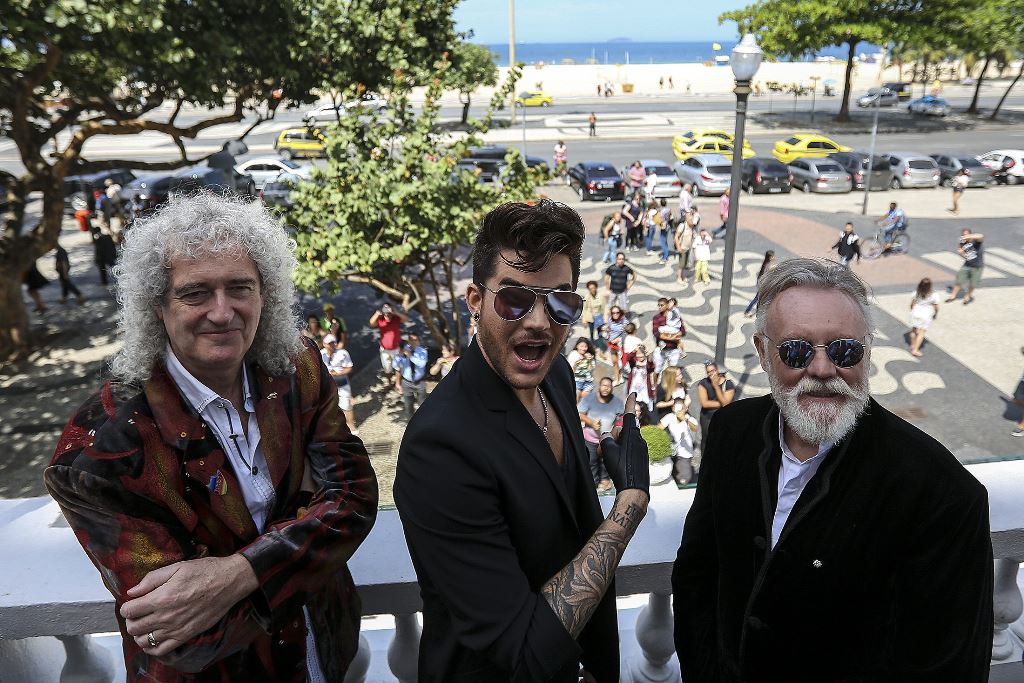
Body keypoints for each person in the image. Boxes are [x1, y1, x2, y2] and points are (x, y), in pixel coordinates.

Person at [44, 192, 377, 682]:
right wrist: (307, 534)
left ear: (267, 294)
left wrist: (235, 574)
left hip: (321, 652)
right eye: (195, 293)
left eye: (240, 288)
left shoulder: (295, 367)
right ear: (157, 306)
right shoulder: (102, 450)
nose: (222, 313)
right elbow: (186, 636)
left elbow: (355, 498)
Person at [672, 257, 993, 681]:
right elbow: (698, 572)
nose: (822, 369)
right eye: (796, 351)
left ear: (868, 351)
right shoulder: (733, 431)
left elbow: (946, 666)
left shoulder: (943, 494)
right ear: (763, 353)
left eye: (844, 349)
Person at [394, 200, 651, 682]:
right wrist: (629, 504)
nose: (538, 321)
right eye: (514, 298)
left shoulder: (554, 375)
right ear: (474, 301)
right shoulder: (440, 446)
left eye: (560, 302)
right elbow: (524, 654)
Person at [578, 377, 626, 492]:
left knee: (606, 461)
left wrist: (617, 431)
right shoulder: (589, 399)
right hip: (590, 438)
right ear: (599, 386)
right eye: (604, 385)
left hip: (607, 438)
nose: (606, 388)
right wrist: (591, 422)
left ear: (612, 388)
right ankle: (593, 483)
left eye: (608, 386)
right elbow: (579, 414)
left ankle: (605, 480)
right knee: (591, 461)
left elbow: (621, 419)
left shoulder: (617, 402)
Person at [322, 333, 357, 434]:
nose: (332, 345)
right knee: (329, 405)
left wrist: (338, 374)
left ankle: (351, 424)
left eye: (333, 342)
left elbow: (349, 367)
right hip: (328, 384)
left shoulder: (343, 353)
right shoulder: (321, 354)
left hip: (342, 382)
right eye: (329, 343)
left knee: (346, 404)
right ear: (324, 344)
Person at [660, 396, 698, 486]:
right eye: (677, 408)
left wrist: (685, 419)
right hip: (672, 451)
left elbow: (695, 428)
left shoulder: (689, 418)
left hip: (685, 454)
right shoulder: (669, 417)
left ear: (685, 408)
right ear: (673, 408)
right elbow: (658, 428)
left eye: (681, 408)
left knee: (683, 480)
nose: (679, 411)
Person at [696, 360, 735, 449]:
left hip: (723, 417)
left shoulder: (728, 384)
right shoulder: (703, 384)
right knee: (706, 439)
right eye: (708, 372)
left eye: (713, 370)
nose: (711, 374)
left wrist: (716, 387)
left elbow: (726, 404)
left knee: (722, 439)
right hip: (707, 417)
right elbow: (705, 403)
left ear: (717, 370)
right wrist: (722, 403)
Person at [393, 332, 428, 420]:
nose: (413, 342)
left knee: (422, 404)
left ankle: (424, 421)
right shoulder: (404, 350)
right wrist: (399, 355)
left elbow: (422, 364)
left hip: (420, 381)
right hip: (407, 382)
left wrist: (410, 356)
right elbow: (395, 365)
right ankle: (410, 422)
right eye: (411, 340)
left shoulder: (422, 351)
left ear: (418, 341)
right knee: (408, 404)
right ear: (408, 341)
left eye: (415, 340)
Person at [946, 229, 985, 305]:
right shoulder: (963, 243)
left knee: (973, 284)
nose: (964, 236)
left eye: (966, 234)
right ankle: (953, 296)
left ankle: (967, 297)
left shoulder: (976, 241)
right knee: (959, 280)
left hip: (977, 266)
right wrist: (961, 253)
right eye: (963, 235)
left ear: (970, 234)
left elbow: (981, 236)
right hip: (967, 265)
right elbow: (965, 256)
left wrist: (968, 237)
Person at [369, 303, 407, 376]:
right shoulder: (380, 320)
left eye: (388, 308)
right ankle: (389, 380)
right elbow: (371, 323)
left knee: (398, 367)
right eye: (385, 308)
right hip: (384, 350)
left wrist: (396, 312)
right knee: (387, 368)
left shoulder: (396, 319)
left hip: (396, 348)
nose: (387, 311)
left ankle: (397, 384)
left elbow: (405, 319)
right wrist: (377, 313)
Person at [652, 297, 684, 376]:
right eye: (658, 305)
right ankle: (654, 386)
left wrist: (671, 335)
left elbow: (682, 331)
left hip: (673, 349)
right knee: (657, 370)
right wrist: (672, 337)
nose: (659, 307)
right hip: (661, 349)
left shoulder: (675, 316)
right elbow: (656, 333)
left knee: (672, 371)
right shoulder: (657, 318)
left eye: (661, 305)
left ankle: (670, 386)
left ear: (667, 305)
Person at [908, 277, 939, 358]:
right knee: (921, 333)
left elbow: (912, 304)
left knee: (914, 330)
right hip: (926, 315)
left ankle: (912, 345)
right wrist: (936, 314)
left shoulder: (916, 293)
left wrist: (912, 310)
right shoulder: (934, 295)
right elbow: (936, 307)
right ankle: (915, 350)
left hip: (915, 313)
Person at [743, 250, 776, 318]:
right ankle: (748, 312)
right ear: (769, 257)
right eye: (772, 256)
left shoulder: (766, 264)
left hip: (762, 284)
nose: (774, 257)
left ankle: (751, 312)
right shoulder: (768, 265)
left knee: (759, 299)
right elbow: (771, 270)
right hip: (763, 285)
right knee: (757, 299)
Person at [624, 345, 656, 412]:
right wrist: (634, 351)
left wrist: (648, 357)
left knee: (647, 400)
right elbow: (629, 358)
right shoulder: (634, 363)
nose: (639, 358)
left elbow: (651, 366)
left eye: (641, 356)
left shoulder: (647, 363)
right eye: (638, 356)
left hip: (644, 386)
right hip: (634, 386)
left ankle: (648, 411)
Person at [604, 305, 628, 384]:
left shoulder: (624, 321)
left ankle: (620, 376)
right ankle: (617, 378)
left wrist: (619, 339)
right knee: (614, 361)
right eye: (613, 313)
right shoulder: (610, 319)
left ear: (620, 313)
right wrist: (607, 331)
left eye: (617, 312)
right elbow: (609, 329)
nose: (615, 314)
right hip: (612, 344)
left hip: (621, 345)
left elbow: (628, 333)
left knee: (621, 363)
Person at [567, 337, 597, 401]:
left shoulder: (590, 356)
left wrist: (589, 361)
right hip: (577, 381)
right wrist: (578, 361)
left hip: (587, 382)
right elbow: (570, 370)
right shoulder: (573, 354)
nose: (583, 348)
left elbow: (590, 370)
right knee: (576, 401)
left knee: (584, 401)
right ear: (577, 346)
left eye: (585, 346)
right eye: (581, 346)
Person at [675, 205, 696, 285]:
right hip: (682, 248)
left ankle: (682, 276)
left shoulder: (690, 227)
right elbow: (676, 237)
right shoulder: (682, 226)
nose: (692, 219)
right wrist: (678, 247)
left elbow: (693, 235)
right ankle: (679, 278)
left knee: (684, 264)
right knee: (681, 264)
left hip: (687, 248)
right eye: (690, 217)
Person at [581, 280, 603, 344]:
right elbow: (584, 309)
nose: (592, 290)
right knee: (591, 331)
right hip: (591, 317)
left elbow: (604, 307)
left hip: (599, 316)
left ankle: (600, 343)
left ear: (596, 287)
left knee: (600, 331)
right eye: (590, 288)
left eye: (593, 288)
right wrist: (584, 320)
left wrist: (605, 317)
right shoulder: (587, 297)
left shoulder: (600, 296)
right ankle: (592, 343)